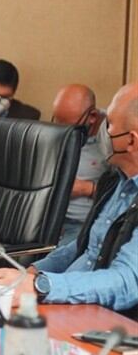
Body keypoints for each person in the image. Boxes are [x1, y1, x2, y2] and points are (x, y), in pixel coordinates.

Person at [0, 83, 138, 314]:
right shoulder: (114, 180)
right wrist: (31, 273)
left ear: (131, 141)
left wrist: (42, 286)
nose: (104, 131)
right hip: (69, 303)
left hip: (106, 322)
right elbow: (85, 245)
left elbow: (126, 282)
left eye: (109, 124)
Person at [51, 84, 108, 245]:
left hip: (84, 224)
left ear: (93, 117)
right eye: (58, 122)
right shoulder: (59, 132)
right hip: (50, 218)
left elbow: (125, 195)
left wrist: (86, 188)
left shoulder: (112, 141)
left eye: (70, 126)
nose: (64, 132)